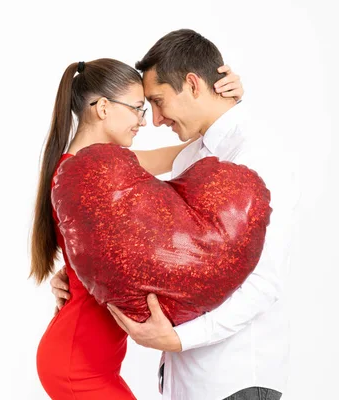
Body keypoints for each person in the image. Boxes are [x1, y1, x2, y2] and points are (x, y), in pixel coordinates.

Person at [51, 29, 296, 400]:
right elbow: (153, 242)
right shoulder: (194, 155)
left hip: (235, 380)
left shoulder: (254, 154)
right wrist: (80, 267)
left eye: (158, 102)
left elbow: (263, 283)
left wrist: (179, 338)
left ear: (194, 85)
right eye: (143, 107)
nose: (155, 119)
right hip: (187, 382)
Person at [32, 57, 244, 399]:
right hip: (78, 364)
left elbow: (180, 155)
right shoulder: (87, 174)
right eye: (137, 108)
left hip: (83, 357)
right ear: (103, 107)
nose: (143, 121)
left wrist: (225, 111)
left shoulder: (102, 165)